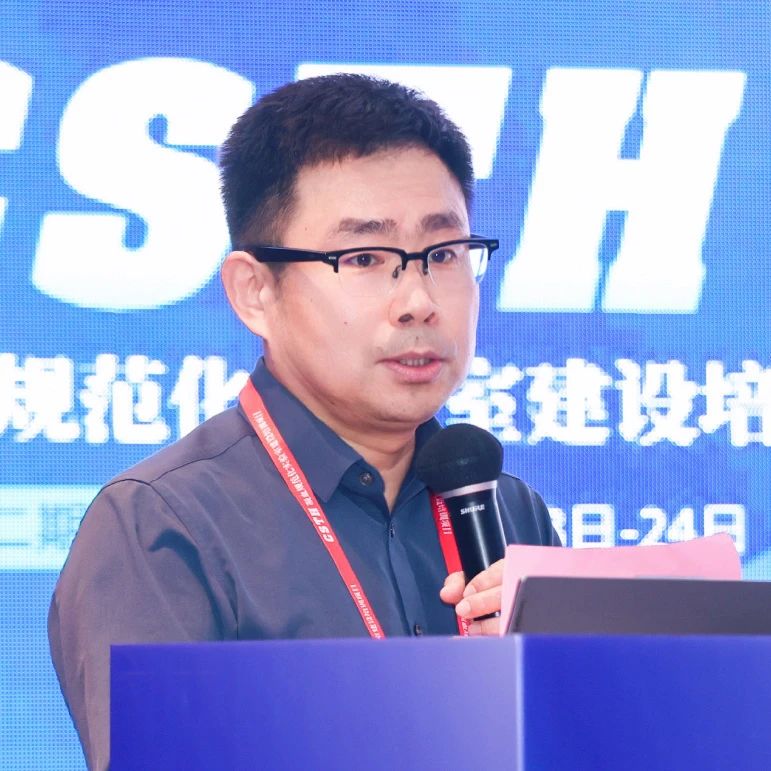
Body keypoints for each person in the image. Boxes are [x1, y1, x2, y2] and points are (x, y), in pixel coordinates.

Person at [48, 73, 560, 770]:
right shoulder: (160, 527)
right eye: (365, 258)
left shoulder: (505, 511)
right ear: (255, 291)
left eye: (442, 254)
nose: (418, 300)